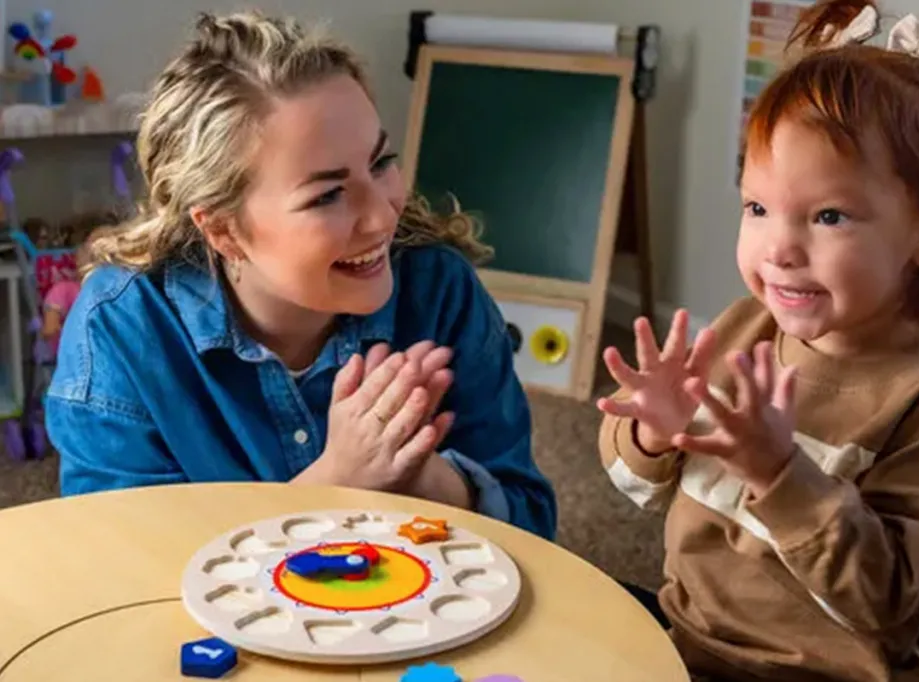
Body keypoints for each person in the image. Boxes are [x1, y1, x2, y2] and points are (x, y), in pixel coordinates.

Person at [44, 10, 557, 541]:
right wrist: (337, 480)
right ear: (222, 229)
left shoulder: (439, 290)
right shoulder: (122, 328)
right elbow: (124, 573)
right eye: (328, 195)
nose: (383, 215)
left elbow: (533, 527)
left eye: (381, 163)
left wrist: (417, 472)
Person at [596, 1, 919, 680]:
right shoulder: (747, 327)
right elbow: (632, 484)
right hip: (687, 638)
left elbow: (885, 605)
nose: (778, 248)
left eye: (829, 215)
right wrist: (653, 435)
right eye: (757, 208)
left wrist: (778, 474)